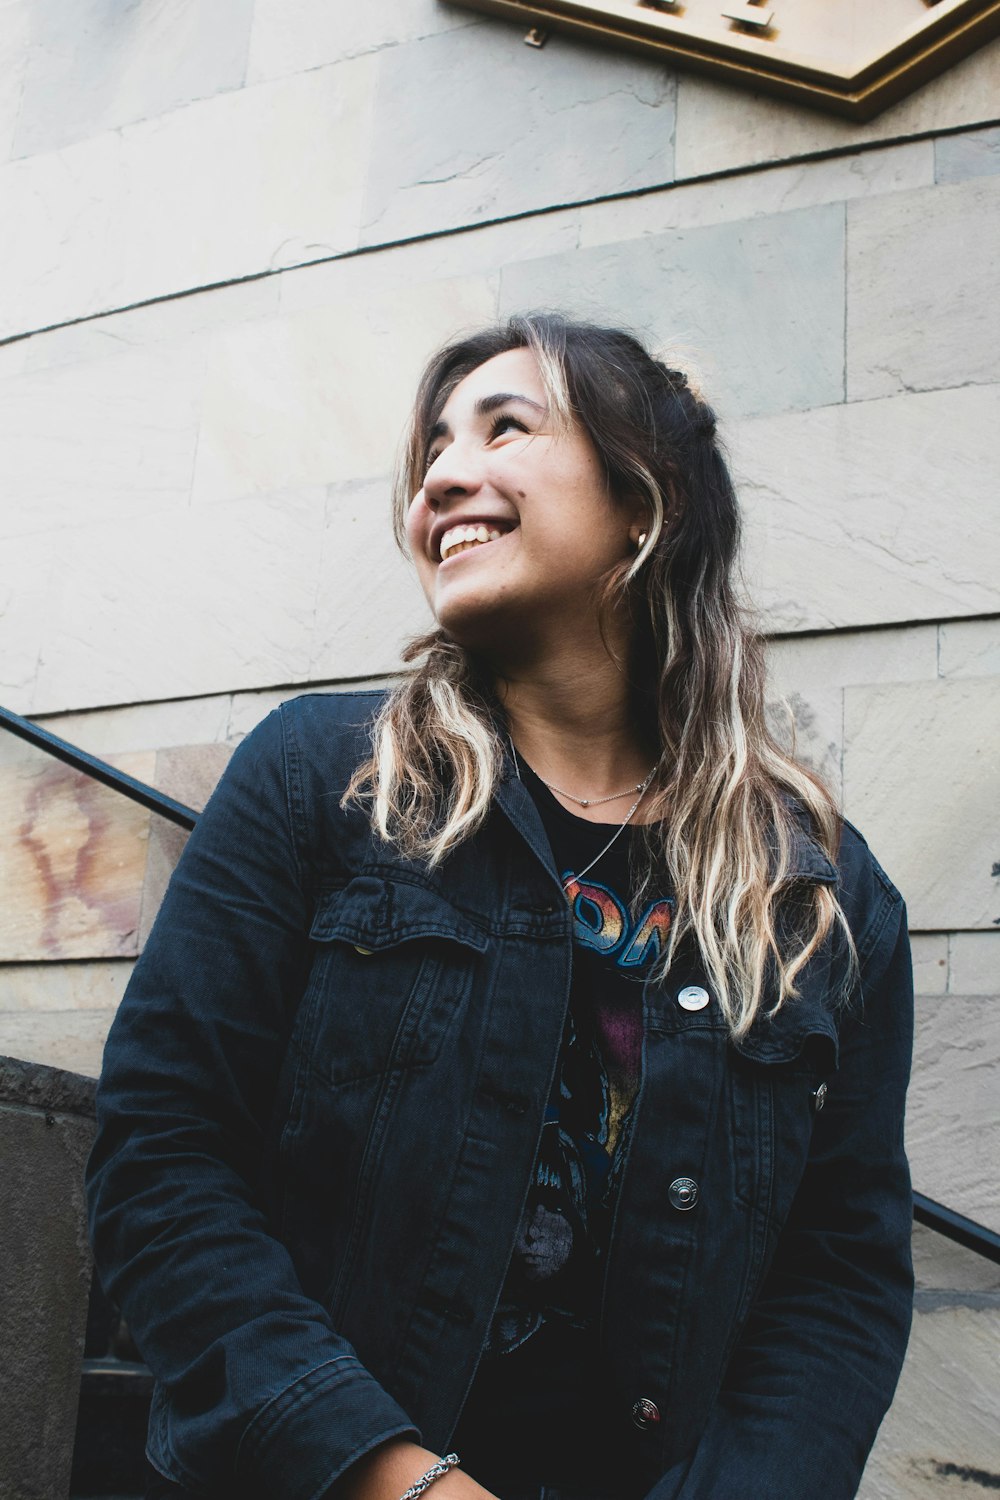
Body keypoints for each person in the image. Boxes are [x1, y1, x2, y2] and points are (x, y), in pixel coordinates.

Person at [86, 314, 915, 1500]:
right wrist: (386, 1476)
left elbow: (839, 1277)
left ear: (647, 500)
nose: (440, 476)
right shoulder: (323, 784)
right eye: (432, 446)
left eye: (504, 427)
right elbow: (162, 1158)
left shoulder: (818, 895)